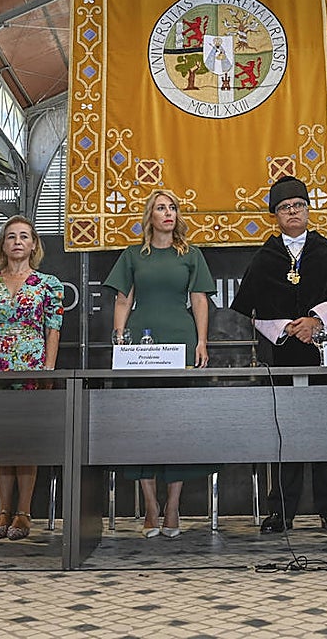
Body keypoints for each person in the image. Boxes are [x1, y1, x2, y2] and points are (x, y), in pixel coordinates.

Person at [230, 175, 327, 535]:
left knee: (325, 432)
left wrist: (316, 321)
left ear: (308, 209)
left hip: (322, 356)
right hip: (282, 357)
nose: (292, 212)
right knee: (284, 434)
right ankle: (281, 512)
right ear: (275, 215)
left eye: (298, 205)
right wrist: (287, 327)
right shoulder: (265, 258)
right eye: (285, 207)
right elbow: (253, 310)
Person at [104, 189, 214, 538]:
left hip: (181, 339)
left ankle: (173, 506)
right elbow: (123, 301)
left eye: (173, 208)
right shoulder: (133, 255)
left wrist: (201, 341)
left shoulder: (191, 254)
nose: (168, 213)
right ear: (149, 216)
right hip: (141, 341)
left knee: (177, 423)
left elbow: (199, 300)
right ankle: (150, 506)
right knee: (142, 424)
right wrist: (120, 338)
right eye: (161, 208)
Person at [0, 215, 64, 541]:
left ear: (34, 244)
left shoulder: (49, 284)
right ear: (3, 244)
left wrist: (48, 370)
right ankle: (2, 511)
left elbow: (53, 330)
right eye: (11, 236)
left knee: (26, 440)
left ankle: (23, 513)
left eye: (24, 236)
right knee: (1, 440)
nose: (18, 241)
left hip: (32, 370)